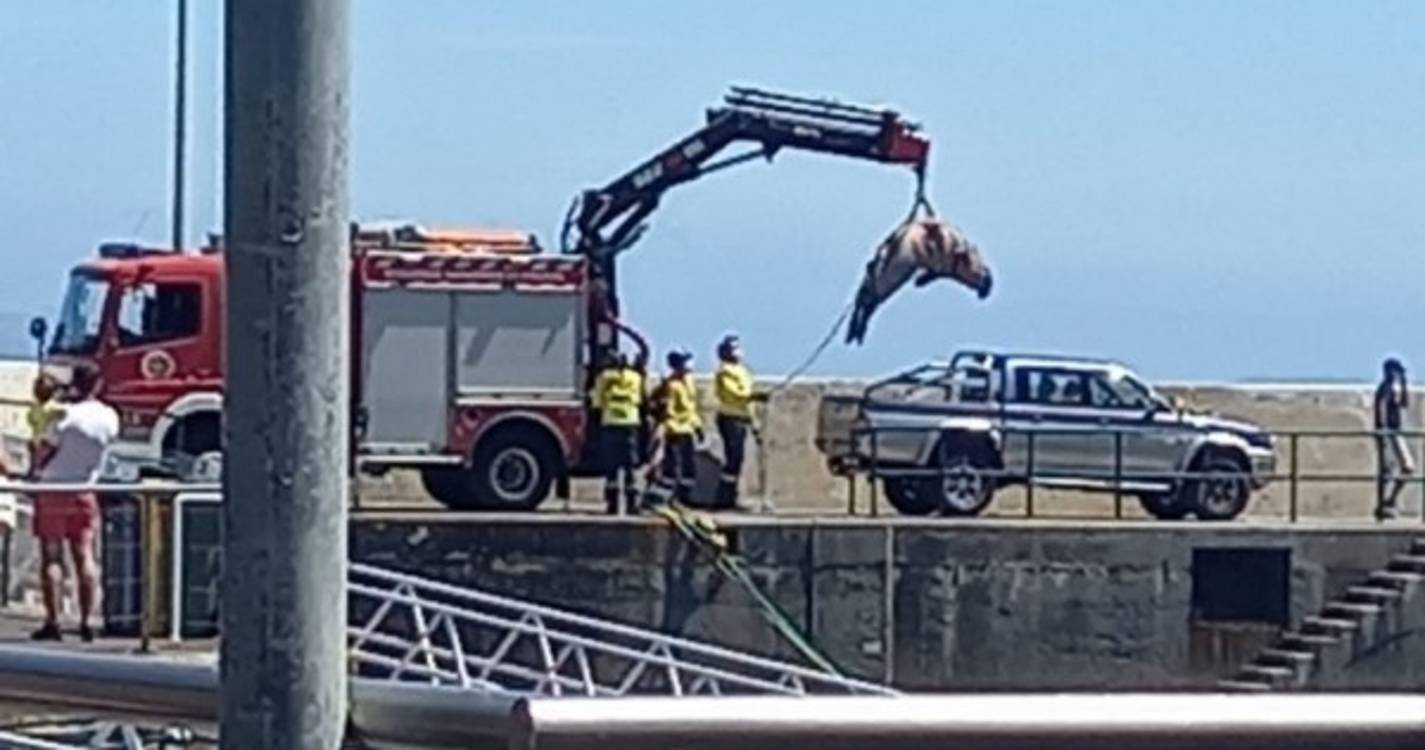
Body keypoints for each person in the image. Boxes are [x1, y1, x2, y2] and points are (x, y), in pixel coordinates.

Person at [30, 362, 118, 642]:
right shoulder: (109, 416)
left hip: (54, 487)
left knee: (52, 557)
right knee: (85, 556)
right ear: (98, 384)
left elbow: (45, 448)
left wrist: (35, 471)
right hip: (85, 488)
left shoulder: (65, 415)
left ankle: (53, 621)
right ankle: (87, 620)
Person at [592, 351, 644, 515]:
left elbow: (597, 403)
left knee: (611, 467)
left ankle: (612, 506)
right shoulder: (635, 378)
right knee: (630, 466)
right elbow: (640, 399)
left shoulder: (603, 378)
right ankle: (632, 505)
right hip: (630, 423)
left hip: (610, 423)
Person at [653, 349, 702, 505]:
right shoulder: (671, 385)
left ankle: (684, 498)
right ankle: (665, 498)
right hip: (674, 430)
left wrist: (698, 426)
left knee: (689, 468)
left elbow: (691, 408)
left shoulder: (689, 382)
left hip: (687, 429)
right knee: (672, 467)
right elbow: (667, 411)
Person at [713, 334, 756, 510]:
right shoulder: (724, 372)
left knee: (738, 459)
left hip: (742, 417)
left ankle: (731, 495)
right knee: (733, 458)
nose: (738, 352)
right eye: (734, 348)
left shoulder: (742, 371)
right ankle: (725, 498)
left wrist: (753, 420)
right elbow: (734, 394)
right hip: (730, 417)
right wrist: (752, 396)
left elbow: (747, 397)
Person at [1374, 357, 1413, 521]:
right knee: (1387, 471)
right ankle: (1384, 505)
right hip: (1389, 432)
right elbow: (1381, 410)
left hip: (1397, 432)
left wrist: (1404, 384)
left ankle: (1390, 501)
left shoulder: (1395, 388)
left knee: (1408, 468)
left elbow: (1405, 404)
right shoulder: (1384, 388)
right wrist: (1382, 433)